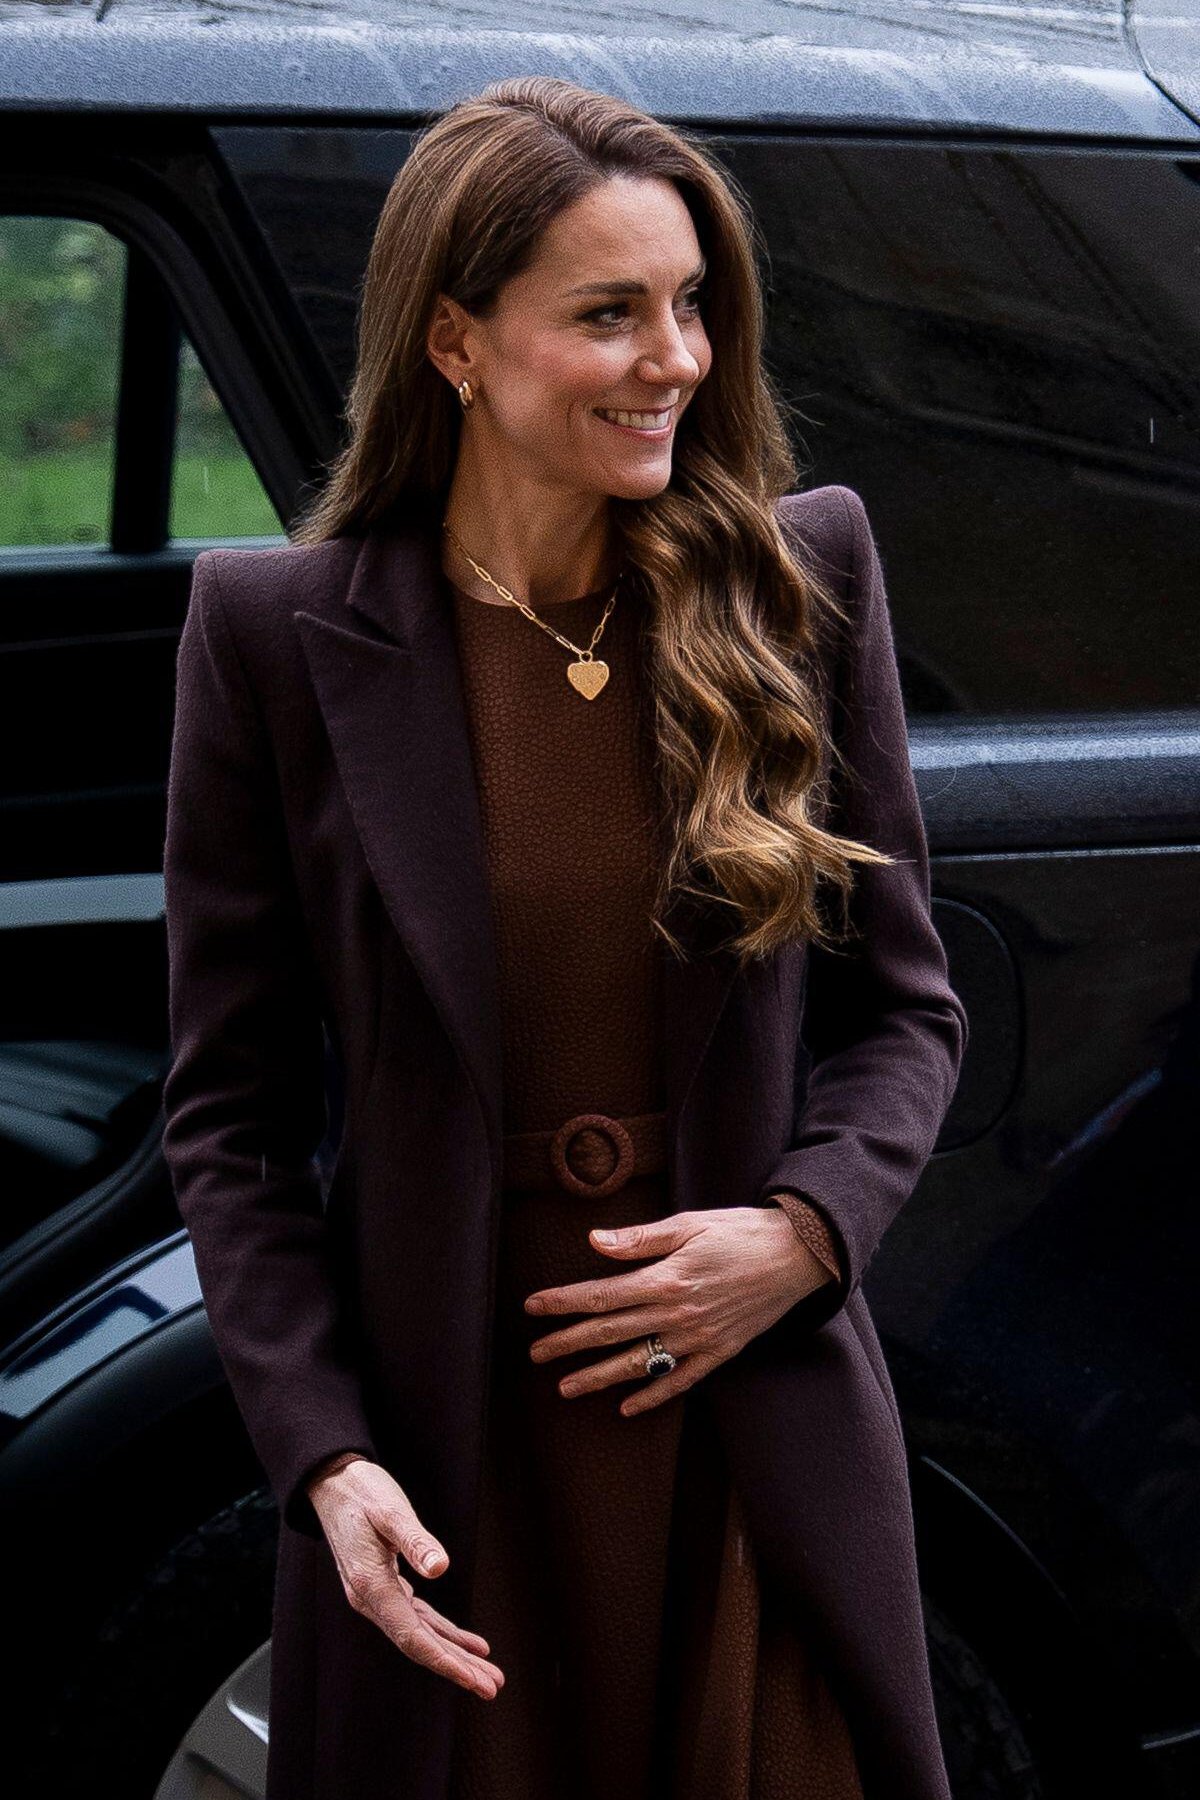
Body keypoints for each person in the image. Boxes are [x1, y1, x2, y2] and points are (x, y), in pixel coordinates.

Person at [161, 75, 968, 1800]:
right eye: (609, 314)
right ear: (454, 340)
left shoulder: (799, 580)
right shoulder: (272, 635)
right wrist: (324, 1459)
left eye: (691, 305)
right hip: (449, 1443)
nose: (675, 358)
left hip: (748, 1417)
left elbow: (906, 1014)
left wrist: (804, 1236)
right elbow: (228, 1121)